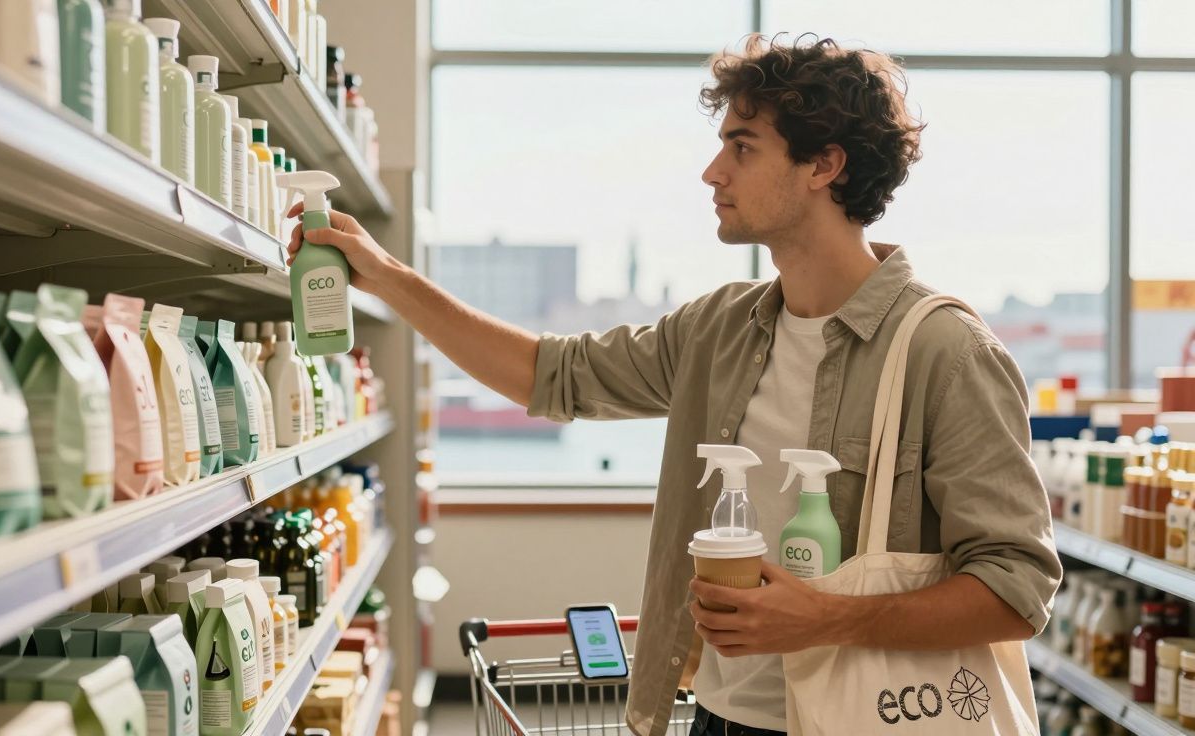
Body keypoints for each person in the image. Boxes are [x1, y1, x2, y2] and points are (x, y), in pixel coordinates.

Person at [286, 33, 1061, 736]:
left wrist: (826, 618)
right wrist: (387, 279)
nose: (712, 171)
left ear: (824, 165)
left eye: (743, 147)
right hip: (717, 716)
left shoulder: (945, 352)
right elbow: (551, 375)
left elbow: (1017, 589)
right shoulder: (719, 328)